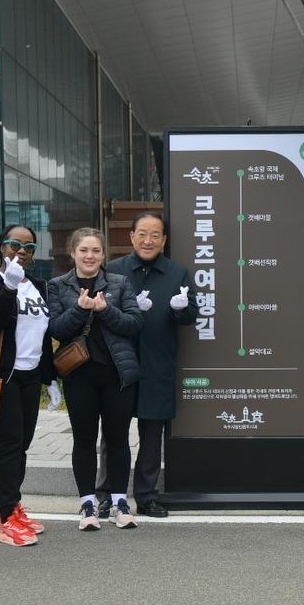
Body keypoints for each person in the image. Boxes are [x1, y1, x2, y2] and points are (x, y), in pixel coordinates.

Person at [47, 227, 143, 530]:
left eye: (96, 251)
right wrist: (79, 309)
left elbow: (134, 324)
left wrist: (105, 310)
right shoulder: (57, 285)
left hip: (117, 375)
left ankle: (119, 502)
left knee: (118, 440)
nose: (90, 256)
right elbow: (56, 329)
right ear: (73, 252)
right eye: (84, 250)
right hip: (79, 377)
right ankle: (87, 504)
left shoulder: (120, 282)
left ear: (104, 255)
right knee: (84, 440)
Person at [105, 211, 195, 518]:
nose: (148, 240)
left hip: (158, 364)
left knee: (152, 436)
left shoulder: (176, 272)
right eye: (142, 233)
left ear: (164, 240)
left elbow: (191, 315)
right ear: (131, 237)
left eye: (155, 235)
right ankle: (107, 494)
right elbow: (101, 312)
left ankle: (145, 495)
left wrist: (181, 310)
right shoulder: (114, 270)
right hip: (118, 364)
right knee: (114, 434)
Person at [0, 225, 57, 546]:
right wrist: (9, 287)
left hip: (30, 376)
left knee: (22, 446)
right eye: (14, 244)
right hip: (4, 378)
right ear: (1, 247)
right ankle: (4, 518)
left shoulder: (38, 285)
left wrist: (51, 378)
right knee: (9, 446)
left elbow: (43, 333)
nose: (21, 251)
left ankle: (13, 506)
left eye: (28, 247)